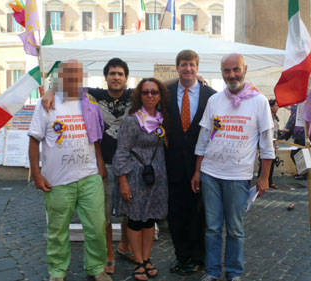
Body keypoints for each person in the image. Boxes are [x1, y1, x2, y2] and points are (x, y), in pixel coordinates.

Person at [42, 58, 134, 274]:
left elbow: (158, 85)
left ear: (126, 78)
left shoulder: (134, 96)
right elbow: (67, 82)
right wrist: (50, 91)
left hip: (128, 165)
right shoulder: (94, 95)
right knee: (103, 214)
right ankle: (108, 252)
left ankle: (124, 245)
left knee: (128, 210)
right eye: (112, 73)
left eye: (120, 73)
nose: (116, 77)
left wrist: (193, 78)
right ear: (106, 77)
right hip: (101, 164)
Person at [191, 53, 275, 281]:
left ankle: (235, 273)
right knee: (212, 228)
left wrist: (264, 177)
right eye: (227, 71)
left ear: (245, 69)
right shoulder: (215, 100)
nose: (231, 75)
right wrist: (198, 171)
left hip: (238, 177)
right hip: (210, 174)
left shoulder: (259, 102)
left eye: (235, 69)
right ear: (222, 73)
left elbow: (267, 143)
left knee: (236, 229)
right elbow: (204, 137)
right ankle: (211, 271)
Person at [28, 60, 111, 281]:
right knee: (57, 231)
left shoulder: (89, 101)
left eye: (77, 74)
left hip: (89, 177)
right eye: (68, 74)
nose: (73, 79)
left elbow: (95, 139)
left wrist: (100, 165)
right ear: (59, 78)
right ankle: (57, 271)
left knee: (96, 227)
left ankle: (96, 268)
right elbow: (34, 141)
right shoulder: (46, 103)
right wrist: (36, 174)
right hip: (57, 181)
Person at [165, 49, 216, 275]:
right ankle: (181, 256)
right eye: (183, 64)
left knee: (199, 215)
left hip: (201, 166)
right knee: (176, 215)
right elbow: (139, 92)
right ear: (177, 68)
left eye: (192, 65)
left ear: (198, 67)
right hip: (172, 166)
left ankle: (199, 257)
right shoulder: (164, 93)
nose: (188, 69)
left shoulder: (211, 96)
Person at [113, 78, 169, 281]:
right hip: (135, 177)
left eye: (154, 92)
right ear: (139, 95)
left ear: (160, 95)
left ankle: (146, 259)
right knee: (136, 220)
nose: (150, 96)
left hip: (156, 178)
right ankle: (137, 261)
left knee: (150, 220)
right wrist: (123, 181)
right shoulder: (132, 120)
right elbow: (121, 152)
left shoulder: (163, 119)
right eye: (146, 92)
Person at [259, 99, 280, 189]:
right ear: (271, 107)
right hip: (267, 143)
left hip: (274, 143)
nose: (277, 107)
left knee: (271, 163)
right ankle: (263, 180)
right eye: (276, 105)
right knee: (264, 163)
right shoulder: (266, 117)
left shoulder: (275, 117)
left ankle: (269, 181)